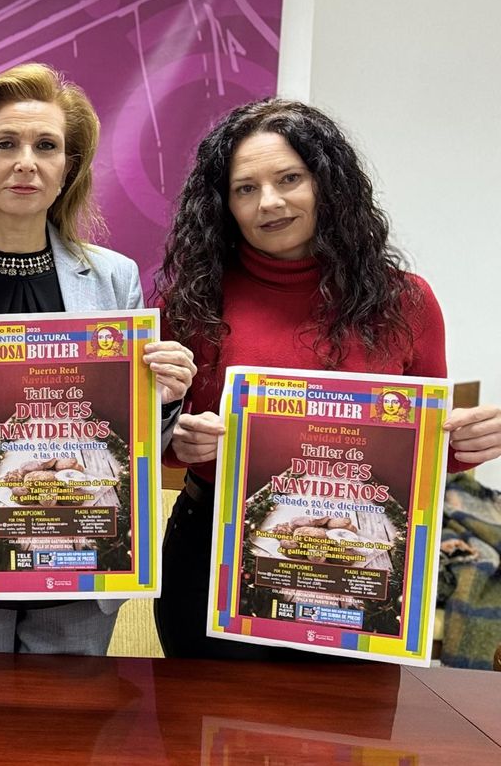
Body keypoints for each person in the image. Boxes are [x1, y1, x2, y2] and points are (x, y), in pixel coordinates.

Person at [154, 98, 501, 659]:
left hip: (360, 559)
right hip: (213, 548)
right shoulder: (191, 301)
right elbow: (159, 433)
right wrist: (180, 440)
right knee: (207, 738)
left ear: (328, 185)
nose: (269, 202)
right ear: (224, 204)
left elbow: (426, 443)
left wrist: (460, 445)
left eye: (290, 178)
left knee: (345, 742)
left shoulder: (407, 302)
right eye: (245, 189)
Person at [0, 63, 196, 654]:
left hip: (81, 564)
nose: (27, 161)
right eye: (5, 144)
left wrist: (167, 399)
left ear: (66, 169)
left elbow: (130, 447)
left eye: (46, 146)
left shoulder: (113, 278)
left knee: (66, 742)